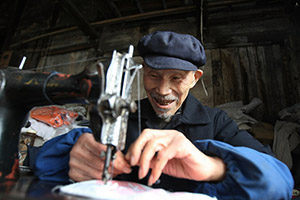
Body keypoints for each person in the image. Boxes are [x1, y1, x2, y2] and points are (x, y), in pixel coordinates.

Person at [34, 31, 294, 199]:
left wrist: (212, 167)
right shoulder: (123, 116)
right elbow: (44, 160)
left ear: (195, 79)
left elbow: (279, 183)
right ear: (142, 72)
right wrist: (73, 155)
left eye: (176, 78)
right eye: (153, 75)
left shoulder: (217, 123)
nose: (162, 90)